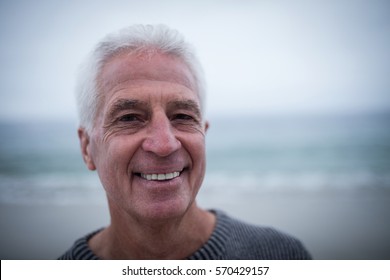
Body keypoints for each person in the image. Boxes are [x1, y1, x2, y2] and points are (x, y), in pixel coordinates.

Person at [59, 24, 311, 260]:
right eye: (129, 118)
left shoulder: (281, 256)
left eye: (182, 116)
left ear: (204, 134)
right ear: (87, 148)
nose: (164, 144)